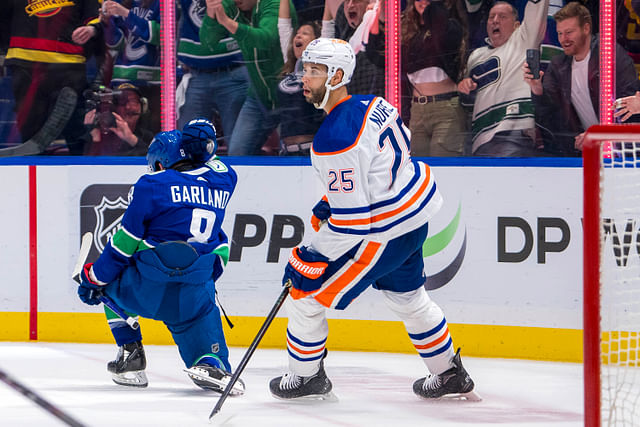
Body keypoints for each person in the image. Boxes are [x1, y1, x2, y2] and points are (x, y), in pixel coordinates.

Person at [269, 38, 478, 401]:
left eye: (314, 71)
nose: (304, 78)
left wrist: (309, 254)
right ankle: (448, 373)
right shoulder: (376, 104)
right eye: (305, 69)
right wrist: (331, 201)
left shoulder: (334, 138)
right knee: (409, 299)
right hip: (413, 218)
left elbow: (353, 224)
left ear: (336, 75)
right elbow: (379, 166)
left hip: (384, 232)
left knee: (305, 295)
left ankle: (306, 377)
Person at [76, 121, 244, 395]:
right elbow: (214, 161)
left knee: (107, 282)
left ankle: (130, 355)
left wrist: (92, 279)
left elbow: (122, 246)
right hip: (194, 289)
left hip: (148, 287)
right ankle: (211, 360)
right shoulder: (225, 179)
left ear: (159, 163)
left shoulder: (151, 184)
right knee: (203, 318)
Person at [524, 1, 640, 155]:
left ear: (586, 28)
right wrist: (537, 90)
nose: (563, 39)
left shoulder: (611, 55)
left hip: (622, 152)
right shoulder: (558, 66)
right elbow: (551, 121)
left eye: (569, 32)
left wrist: (598, 136)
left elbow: (628, 111)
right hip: (580, 153)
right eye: (560, 33)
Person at [1, 0, 102, 155]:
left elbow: (96, 18)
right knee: (30, 134)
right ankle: (33, 173)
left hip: (68, 68)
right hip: (25, 64)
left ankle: (83, 173)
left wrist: (92, 29)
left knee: (77, 133)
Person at [200, 0, 295, 155]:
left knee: (292, 153)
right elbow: (208, 43)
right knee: (238, 154)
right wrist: (211, 14)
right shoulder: (230, 5)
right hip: (258, 96)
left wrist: (226, 22)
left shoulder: (275, 3)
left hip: (289, 96)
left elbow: (265, 39)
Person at [458, 0, 549, 157]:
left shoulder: (523, 40)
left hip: (514, 130)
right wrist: (465, 87)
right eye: (491, 16)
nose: (495, 20)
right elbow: (467, 101)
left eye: (502, 16)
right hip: (480, 137)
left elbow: (537, 8)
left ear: (516, 25)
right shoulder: (475, 56)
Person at [176, 0, 250, 146]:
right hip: (197, 75)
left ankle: (238, 169)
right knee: (190, 142)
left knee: (238, 145)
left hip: (234, 72)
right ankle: (190, 169)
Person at [401, 0, 468, 156]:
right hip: (416, 109)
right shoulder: (408, 31)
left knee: (444, 166)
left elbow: (444, 40)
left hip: (444, 106)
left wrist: (434, 10)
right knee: (418, 168)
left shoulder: (450, 27)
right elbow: (384, 59)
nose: (424, 2)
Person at [101, 0, 162, 134]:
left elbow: (161, 36)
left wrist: (126, 14)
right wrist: (106, 24)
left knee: (151, 131)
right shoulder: (119, 2)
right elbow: (115, 44)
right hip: (122, 78)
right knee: (121, 132)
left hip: (152, 80)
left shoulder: (163, 4)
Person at [277, 0, 324, 155]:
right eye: (297, 34)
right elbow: (283, 27)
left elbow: (328, 28)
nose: (298, 35)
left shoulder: (322, 67)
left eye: (305, 34)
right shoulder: (290, 67)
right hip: (286, 153)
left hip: (311, 152)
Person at [81, 83, 154, 156]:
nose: (128, 107)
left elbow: (156, 161)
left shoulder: (148, 137)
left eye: (133, 102)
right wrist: (94, 139)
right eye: (122, 102)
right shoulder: (100, 134)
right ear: (114, 108)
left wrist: (131, 139)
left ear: (142, 107)